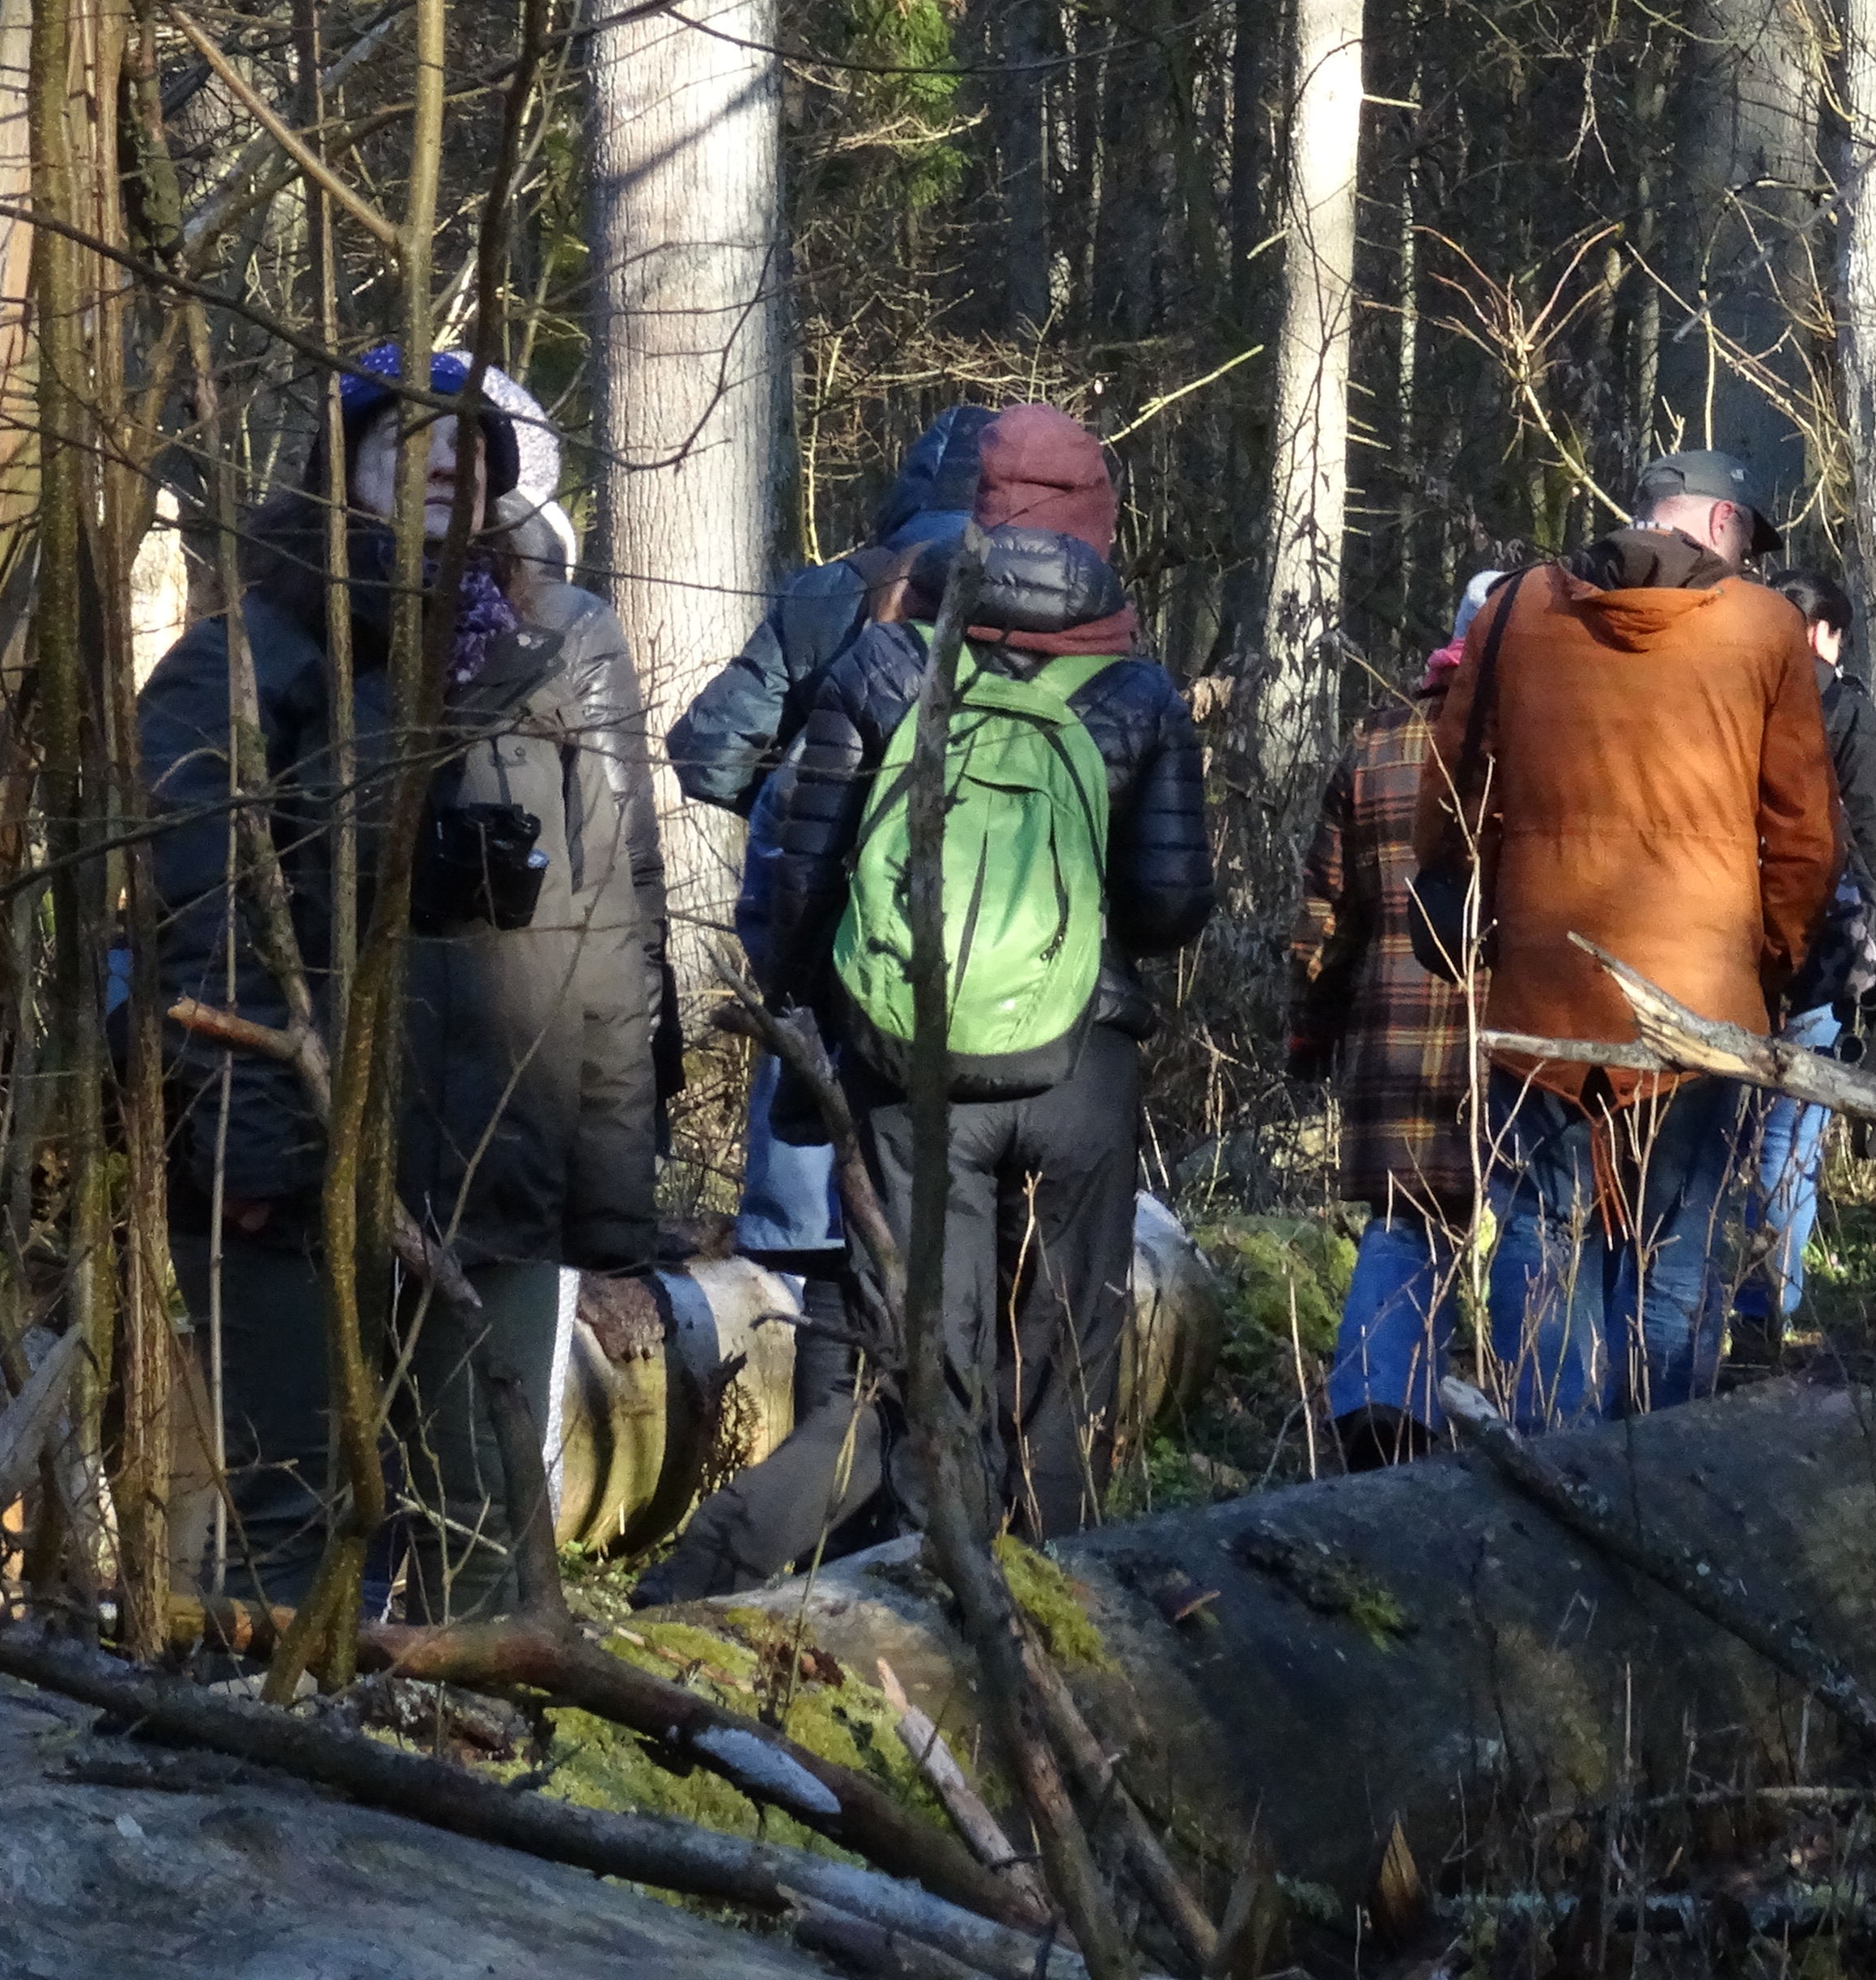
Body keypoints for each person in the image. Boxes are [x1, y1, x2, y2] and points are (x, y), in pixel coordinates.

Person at [632, 403, 1209, 1599]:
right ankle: (1057, 1603)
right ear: (1100, 523)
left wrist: (812, 1008)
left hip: (910, 1063)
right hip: (1082, 1064)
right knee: (1063, 1351)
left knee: (922, 1354)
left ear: (977, 514)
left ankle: (920, 1597)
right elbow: (1167, 908)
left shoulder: (886, 661)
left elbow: (805, 871)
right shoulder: (1137, 689)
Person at [142, 347, 671, 1618]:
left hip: (500, 1177)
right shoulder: (244, 664)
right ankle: (262, 1749)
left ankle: (466, 1744)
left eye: (471, 448)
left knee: (486, 1537)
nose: (444, 464)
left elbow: (614, 926)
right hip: (297, 1186)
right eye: (409, 440)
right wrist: (258, 1160)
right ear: (340, 470)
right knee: (286, 1532)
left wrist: (608, 1191)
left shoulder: (552, 664)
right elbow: (200, 927)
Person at [1422, 447, 1838, 1429]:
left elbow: (1454, 789)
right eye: (1749, 543)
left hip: (1544, 993)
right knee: (1679, 1252)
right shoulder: (1766, 627)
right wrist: (1769, 962)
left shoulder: (1519, 610)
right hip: (1703, 1007)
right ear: (1724, 525)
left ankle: (1546, 1468)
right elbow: (1807, 839)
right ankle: (1661, 1470)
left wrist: (1478, 920)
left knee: (1542, 1234)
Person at [668, 402, 996, 1266]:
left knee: (801, 1007)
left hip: (821, 894)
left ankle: (792, 1257)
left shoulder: (833, 589)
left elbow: (706, 751)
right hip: (983, 903)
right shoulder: (1037, 592)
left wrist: (798, 795)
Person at [1284, 570, 1502, 1465]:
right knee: (1534, 1225)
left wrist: (1310, 1026)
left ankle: (1380, 1407)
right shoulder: (1549, 741)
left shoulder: (1377, 741)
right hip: (1513, 1037)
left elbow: (1326, 913)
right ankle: (1544, 1422)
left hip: (1394, 1037)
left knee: (1404, 1223)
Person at [1732, 568, 1876, 1360]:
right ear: (1823, 633)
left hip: (1724, 946)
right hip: (1820, 956)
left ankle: (1703, 1312)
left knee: (1721, 1138)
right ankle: (1767, 1307)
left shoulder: (1729, 693)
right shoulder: (1847, 712)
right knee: (1790, 1137)